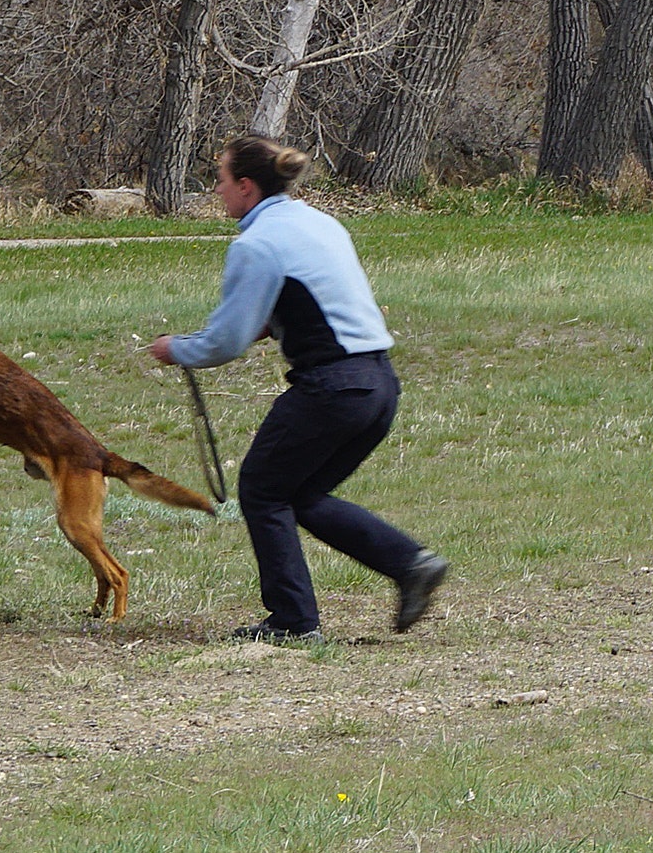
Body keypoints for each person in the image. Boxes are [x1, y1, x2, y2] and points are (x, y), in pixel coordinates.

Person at [148, 135, 447, 643]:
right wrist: (278, 324)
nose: (216, 190)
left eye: (220, 179)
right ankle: (411, 563)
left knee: (263, 491)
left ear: (245, 186)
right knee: (300, 493)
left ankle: (293, 622)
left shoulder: (256, 244)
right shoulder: (319, 222)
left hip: (331, 387)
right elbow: (317, 298)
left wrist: (177, 348)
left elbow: (226, 341)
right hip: (377, 383)